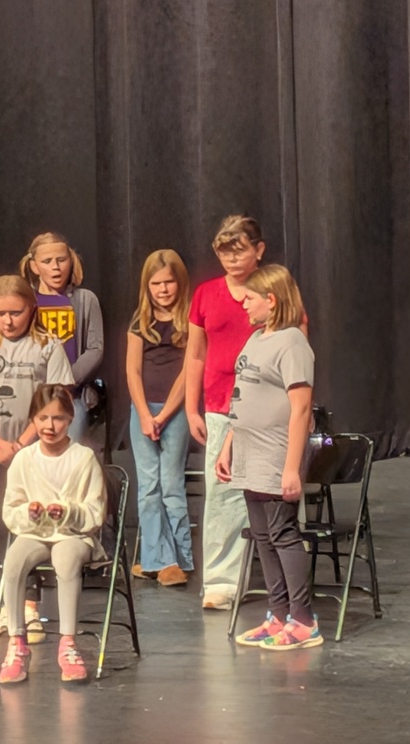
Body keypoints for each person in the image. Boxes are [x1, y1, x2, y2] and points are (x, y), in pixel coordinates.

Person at [0, 275, 74, 641]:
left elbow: (55, 399)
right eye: (1, 313)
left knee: (29, 524)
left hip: (33, 452)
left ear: (32, 309)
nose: (8, 321)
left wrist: (22, 443)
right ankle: (5, 608)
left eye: (16, 313)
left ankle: (30, 608)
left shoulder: (48, 347)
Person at [216, 264, 322, 650]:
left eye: (249, 299)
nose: (243, 306)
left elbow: (301, 406)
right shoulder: (257, 338)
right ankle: (279, 615)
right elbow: (242, 397)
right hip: (249, 452)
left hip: (277, 452)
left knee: (282, 533)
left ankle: (304, 620)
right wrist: (228, 445)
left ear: (271, 300)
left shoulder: (292, 342)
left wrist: (292, 467)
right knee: (262, 536)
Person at [0, 385, 107, 684]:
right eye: (43, 418)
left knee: (67, 557)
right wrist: (28, 513)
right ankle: (17, 643)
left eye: (57, 418)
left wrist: (68, 511)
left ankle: (68, 643)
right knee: (15, 560)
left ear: (70, 419)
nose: (49, 426)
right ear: (33, 419)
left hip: (73, 534)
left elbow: (95, 512)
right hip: (37, 532)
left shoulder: (83, 458)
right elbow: (11, 509)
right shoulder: (24, 459)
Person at [184, 215, 268, 610]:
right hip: (219, 405)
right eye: (224, 252)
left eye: (240, 251)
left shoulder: (275, 291)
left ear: (258, 251)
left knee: (268, 490)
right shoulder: (205, 294)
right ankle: (220, 580)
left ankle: (277, 576)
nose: (232, 260)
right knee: (221, 493)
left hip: (266, 409)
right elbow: (196, 353)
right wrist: (191, 405)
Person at [125, 249, 193, 587]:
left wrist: (165, 414)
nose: (163, 289)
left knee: (170, 484)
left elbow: (187, 374)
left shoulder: (191, 320)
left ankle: (180, 558)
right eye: (156, 283)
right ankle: (156, 558)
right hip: (142, 411)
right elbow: (132, 371)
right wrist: (143, 413)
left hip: (176, 411)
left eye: (169, 282)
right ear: (146, 286)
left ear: (179, 283)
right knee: (148, 487)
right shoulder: (140, 322)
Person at [19, 232, 104, 442]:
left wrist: (64, 382)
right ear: (34, 266)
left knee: (67, 461)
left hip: (70, 397)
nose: (55, 267)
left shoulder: (86, 299)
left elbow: (95, 349)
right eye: (47, 261)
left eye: (61, 260)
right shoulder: (24, 301)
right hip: (29, 397)